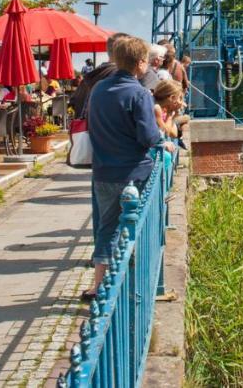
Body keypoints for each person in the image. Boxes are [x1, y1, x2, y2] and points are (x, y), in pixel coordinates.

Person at [83, 36, 170, 300]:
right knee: (135, 228)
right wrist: (162, 140)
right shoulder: (139, 94)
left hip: (103, 171)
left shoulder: (97, 89)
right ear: (141, 63)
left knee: (106, 228)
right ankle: (134, 284)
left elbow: (91, 126)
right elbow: (147, 136)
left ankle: (99, 285)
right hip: (134, 173)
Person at [70, 32, 128, 120]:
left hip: (87, 130)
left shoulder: (91, 76)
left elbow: (74, 101)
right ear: (125, 52)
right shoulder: (120, 76)